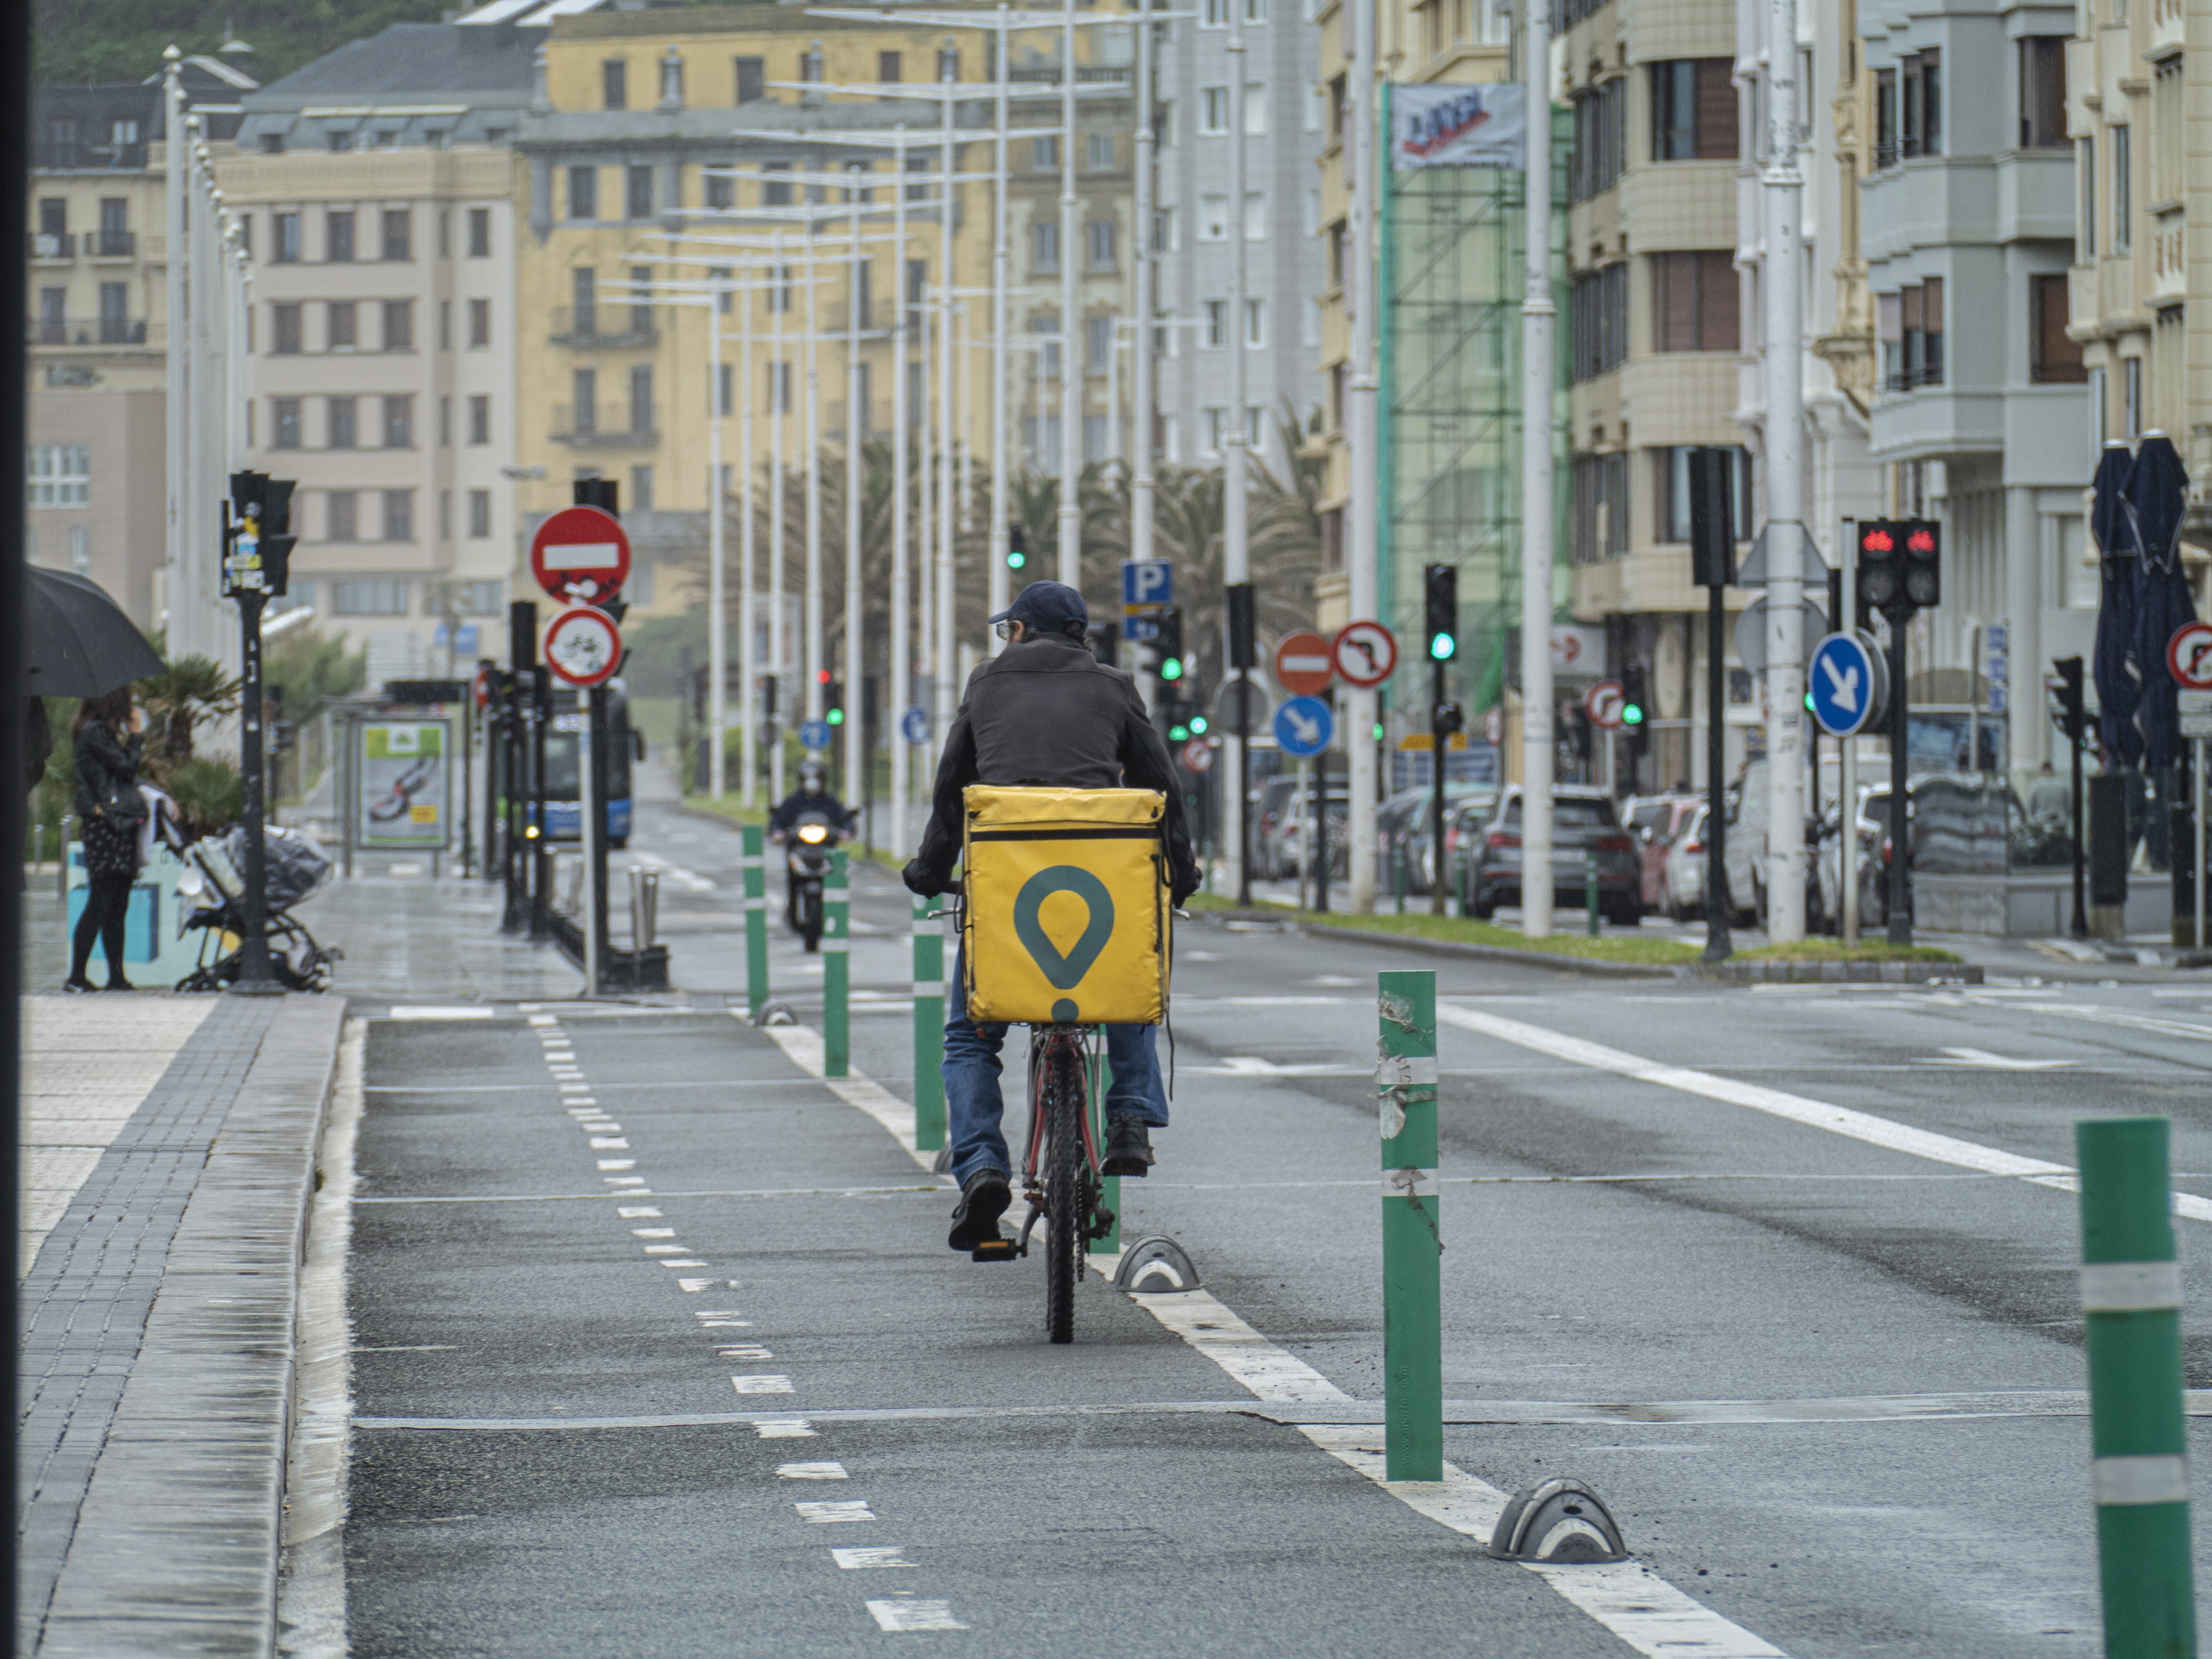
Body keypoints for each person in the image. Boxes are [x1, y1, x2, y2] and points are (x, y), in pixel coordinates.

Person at [903, 580, 1202, 1253]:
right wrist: (1180, 874)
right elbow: (1162, 789)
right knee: (1128, 982)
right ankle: (1128, 1115)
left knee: (968, 1037)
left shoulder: (985, 686)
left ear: (1020, 631)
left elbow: (952, 791)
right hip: (1103, 889)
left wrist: (929, 870)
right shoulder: (1116, 686)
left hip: (1006, 898)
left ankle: (980, 1165)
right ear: (1079, 636)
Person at [66, 686, 145, 993]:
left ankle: (116, 977)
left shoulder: (97, 732)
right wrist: (136, 735)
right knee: (101, 899)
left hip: (114, 824)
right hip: (105, 825)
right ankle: (76, 977)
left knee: (116, 903)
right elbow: (127, 768)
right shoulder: (95, 732)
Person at [768, 760, 854, 840]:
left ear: (823, 780)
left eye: (817, 779)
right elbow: (778, 819)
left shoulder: (831, 802)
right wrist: (777, 832)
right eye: (807, 779)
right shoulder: (792, 802)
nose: (812, 783)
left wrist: (846, 831)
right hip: (797, 845)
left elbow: (844, 818)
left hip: (827, 847)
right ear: (801, 780)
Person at [2026, 759, 2070, 827]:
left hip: (2041, 821)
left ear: (2041, 771)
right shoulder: (2062, 785)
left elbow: (2030, 806)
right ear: (2052, 770)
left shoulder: (2036, 785)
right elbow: (2068, 805)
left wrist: (2032, 819)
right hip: (2060, 822)